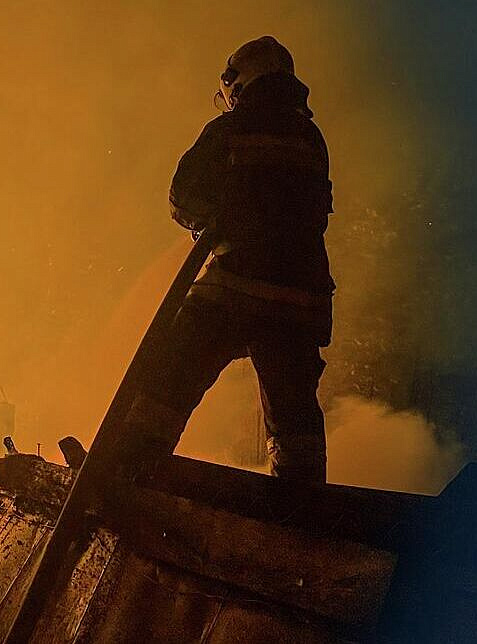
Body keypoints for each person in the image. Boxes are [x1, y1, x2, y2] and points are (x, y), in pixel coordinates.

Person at [120, 36, 334, 483]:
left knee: (171, 371)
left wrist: (215, 220)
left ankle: (130, 467)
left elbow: (182, 195)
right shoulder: (311, 137)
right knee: (294, 413)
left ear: (242, 81)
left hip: (234, 283)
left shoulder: (230, 129)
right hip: (301, 299)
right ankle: (303, 504)